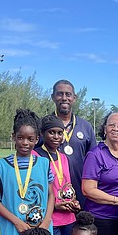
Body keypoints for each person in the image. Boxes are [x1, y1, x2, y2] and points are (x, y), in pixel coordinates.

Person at [0, 108, 55, 235]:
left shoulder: (44, 164)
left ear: (37, 139)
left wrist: (46, 222)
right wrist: (16, 221)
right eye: (20, 138)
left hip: (42, 230)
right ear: (13, 137)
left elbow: (51, 194)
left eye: (30, 139)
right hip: (15, 233)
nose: (25, 143)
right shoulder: (1, 166)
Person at [34, 114, 79, 235]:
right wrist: (56, 205)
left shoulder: (63, 157)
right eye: (51, 132)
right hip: (50, 219)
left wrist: (74, 202)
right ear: (42, 134)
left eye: (60, 133)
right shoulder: (35, 156)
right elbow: (35, 190)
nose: (56, 136)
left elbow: (67, 186)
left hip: (69, 218)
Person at [47, 79, 97, 207]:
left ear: (74, 98)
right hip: (51, 192)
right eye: (60, 94)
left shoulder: (86, 126)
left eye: (68, 94)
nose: (64, 98)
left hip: (81, 191)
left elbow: (93, 161)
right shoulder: (44, 126)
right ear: (53, 97)